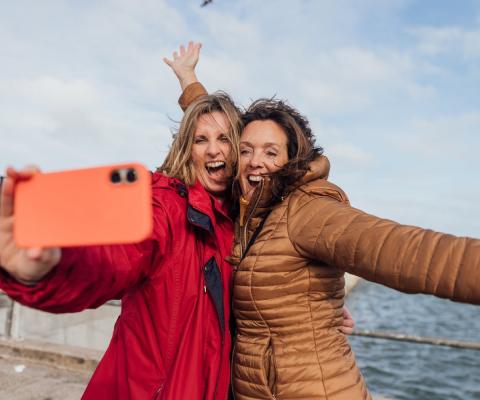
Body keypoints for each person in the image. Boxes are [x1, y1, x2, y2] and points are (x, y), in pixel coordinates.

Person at [167, 42, 480, 400]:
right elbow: (212, 133)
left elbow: (408, 252)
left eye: (271, 152)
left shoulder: (308, 210)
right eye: (247, 149)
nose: (256, 161)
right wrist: (189, 80)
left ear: (291, 161)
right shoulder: (250, 214)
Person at [0, 93, 242, 399]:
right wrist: (50, 266)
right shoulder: (166, 208)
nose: (213, 150)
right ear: (185, 149)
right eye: (200, 140)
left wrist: (187, 79)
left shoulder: (236, 224)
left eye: (224, 138)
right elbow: (114, 257)